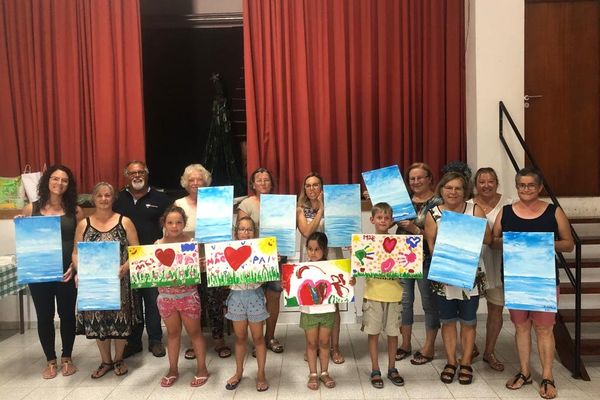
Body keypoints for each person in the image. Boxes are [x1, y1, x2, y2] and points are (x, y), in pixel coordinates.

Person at [492, 168, 574, 399]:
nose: (526, 189)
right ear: (516, 187)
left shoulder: (554, 211)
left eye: (530, 185)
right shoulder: (506, 212)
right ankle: (525, 372)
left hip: (544, 280)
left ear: (539, 188)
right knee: (520, 327)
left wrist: (541, 242)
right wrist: (511, 241)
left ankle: (547, 376)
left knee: (544, 329)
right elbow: (494, 241)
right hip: (515, 279)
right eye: (521, 185)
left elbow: (568, 244)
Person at [423, 172, 492, 385]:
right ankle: (451, 361)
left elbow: (488, 238)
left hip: (470, 273)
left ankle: (466, 362)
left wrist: (466, 228)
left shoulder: (474, 210)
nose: (453, 192)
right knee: (448, 320)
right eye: (449, 188)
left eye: (458, 188)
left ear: (465, 191)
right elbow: (431, 245)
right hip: (444, 274)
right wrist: (446, 268)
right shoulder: (433, 213)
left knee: (469, 321)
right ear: (441, 190)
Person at [17, 165, 84, 379]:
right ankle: (50, 360)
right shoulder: (31, 208)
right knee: (44, 316)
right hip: (40, 273)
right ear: (47, 180)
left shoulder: (75, 210)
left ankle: (67, 357)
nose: (59, 183)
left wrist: (74, 267)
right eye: (55, 178)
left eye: (64, 180)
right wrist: (21, 226)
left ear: (68, 185)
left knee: (67, 315)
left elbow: (79, 244)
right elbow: (27, 242)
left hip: (66, 273)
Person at [73, 182, 141, 378]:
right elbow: (76, 253)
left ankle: (119, 359)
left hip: (120, 282)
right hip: (94, 283)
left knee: (120, 321)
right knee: (98, 321)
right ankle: (106, 361)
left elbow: (136, 251)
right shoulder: (83, 224)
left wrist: (125, 267)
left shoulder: (124, 222)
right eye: (99, 195)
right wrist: (81, 271)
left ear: (113, 198)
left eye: (107, 195)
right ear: (93, 199)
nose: (103, 199)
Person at [112, 160, 171, 358]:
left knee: (153, 301)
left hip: (151, 258)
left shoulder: (161, 199)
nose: (137, 176)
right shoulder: (118, 199)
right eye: (132, 173)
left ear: (147, 174)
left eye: (140, 172)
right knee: (132, 302)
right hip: (124, 259)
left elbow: (171, 225)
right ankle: (134, 341)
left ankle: (155, 340)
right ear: (126, 176)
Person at [174, 164, 231, 360]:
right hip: (189, 263)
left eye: (200, 179)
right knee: (192, 304)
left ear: (206, 182)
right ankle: (193, 341)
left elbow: (225, 231)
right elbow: (173, 233)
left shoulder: (216, 203)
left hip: (213, 261)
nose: (196, 183)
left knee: (214, 302)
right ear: (185, 183)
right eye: (192, 180)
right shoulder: (179, 204)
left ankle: (219, 340)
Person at [156, 205, 209, 388]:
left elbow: (199, 269)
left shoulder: (192, 244)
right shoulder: (157, 245)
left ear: (184, 224)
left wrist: (202, 265)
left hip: (188, 296)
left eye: (178, 222)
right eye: (170, 222)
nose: (174, 226)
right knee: (172, 334)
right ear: (164, 224)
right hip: (165, 297)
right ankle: (173, 369)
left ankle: (202, 369)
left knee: (195, 333)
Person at [296, 172, 346, 364]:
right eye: (308, 185)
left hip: (332, 257)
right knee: (311, 302)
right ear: (304, 188)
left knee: (333, 304)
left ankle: (335, 347)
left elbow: (345, 228)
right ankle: (313, 346)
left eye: (316, 184)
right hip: (310, 259)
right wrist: (321, 211)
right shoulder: (300, 209)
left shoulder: (335, 207)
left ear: (322, 188)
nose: (312, 188)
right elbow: (307, 231)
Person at [394, 163, 441, 365]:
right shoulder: (402, 202)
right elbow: (383, 218)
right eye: (412, 178)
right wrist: (375, 199)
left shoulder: (438, 202)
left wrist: (416, 230)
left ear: (429, 178)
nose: (416, 182)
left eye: (420, 177)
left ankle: (429, 347)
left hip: (427, 259)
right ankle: (405, 344)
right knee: (404, 303)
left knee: (429, 303)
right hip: (402, 258)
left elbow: (440, 235)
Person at [469, 167, 514, 371]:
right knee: (468, 310)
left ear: (496, 183)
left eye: (490, 181)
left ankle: (489, 352)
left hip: (499, 263)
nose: (486, 185)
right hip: (473, 264)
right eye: (482, 182)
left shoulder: (510, 204)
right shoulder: (467, 205)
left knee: (495, 310)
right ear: (475, 185)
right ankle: (471, 347)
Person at [238, 167, 284, 353]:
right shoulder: (246, 204)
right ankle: (257, 341)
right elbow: (241, 233)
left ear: (271, 184)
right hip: (253, 259)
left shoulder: (280, 203)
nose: (263, 183)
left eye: (266, 180)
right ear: (253, 184)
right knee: (255, 297)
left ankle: (270, 337)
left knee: (274, 296)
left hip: (277, 256)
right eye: (259, 180)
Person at [360, 202, 404, 388]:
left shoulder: (400, 244)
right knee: (373, 333)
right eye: (379, 217)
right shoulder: (366, 243)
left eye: (387, 218)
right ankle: (375, 369)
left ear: (392, 220)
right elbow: (359, 267)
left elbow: (407, 265)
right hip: (373, 295)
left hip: (394, 295)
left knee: (393, 334)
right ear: (372, 220)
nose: (383, 221)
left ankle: (392, 368)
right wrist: (356, 255)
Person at [224, 216, 270, 392]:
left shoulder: (260, 250)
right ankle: (238, 372)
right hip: (236, 297)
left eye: (249, 229)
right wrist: (213, 267)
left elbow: (266, 276)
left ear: (254, 232)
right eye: (242, 229)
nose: (246, 232)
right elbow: (224, 281)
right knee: (240, 337)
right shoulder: (227, 251)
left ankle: (261, 373)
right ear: (236, 232)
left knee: (258, 338)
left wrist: (272, 260)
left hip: (255, 296)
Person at [297, 232, 337, 390]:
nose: (312, 253)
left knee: (325, 342)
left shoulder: (333, 268)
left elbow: (342, 284)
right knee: (312, 343)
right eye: (310, 249)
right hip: (308, 312)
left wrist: (350, 281)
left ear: (324, 250)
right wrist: (285, 283)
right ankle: (313, 373)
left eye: (317, 249)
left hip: (327, 310)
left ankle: (324, 372)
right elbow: (293, 287)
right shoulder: (301, 269)